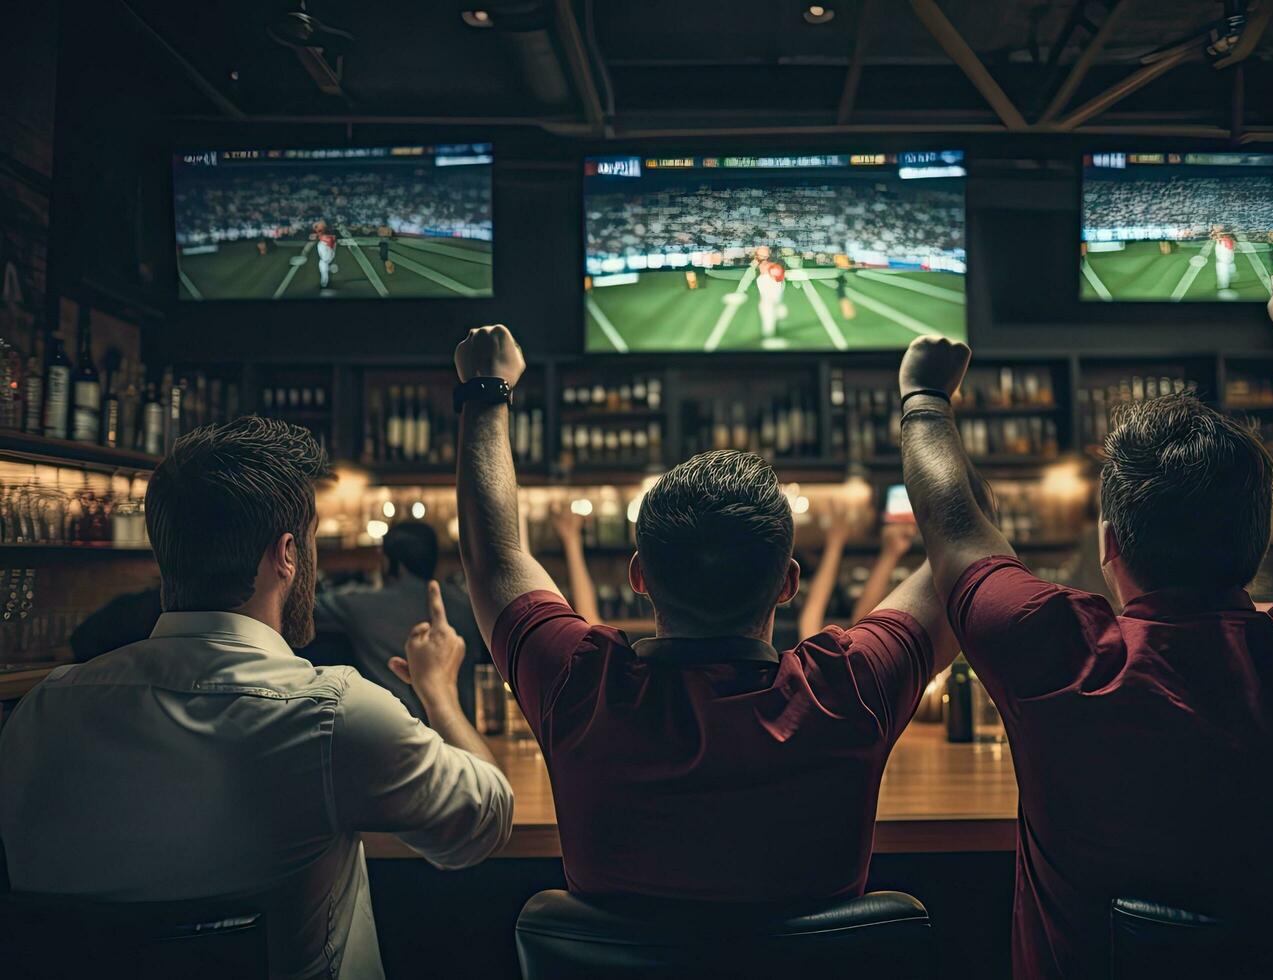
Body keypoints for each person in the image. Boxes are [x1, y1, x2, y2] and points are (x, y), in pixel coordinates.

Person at [898, 241, 1273, 978]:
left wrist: (923, 399)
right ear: (1259, 537)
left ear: (1110, 543)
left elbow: (952, 524)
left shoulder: (1055, 651)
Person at [452, 324, 957, 903]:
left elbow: (493, 560)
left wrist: (487, 391)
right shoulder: (848, 687)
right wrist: (926, 401)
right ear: (789, 583)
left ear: (638, 576)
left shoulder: (580, 683)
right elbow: (964, 550)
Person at [0, 417, 514, 980]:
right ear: (287, 554)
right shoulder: (331, 714)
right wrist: (438, 693)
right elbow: (485, 819)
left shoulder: (41, 714)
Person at [315, 520, 486, 722]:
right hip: (460, 732)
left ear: (390, 562)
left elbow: (308, 607)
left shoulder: (362, 605)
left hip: (393, 736)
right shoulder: (469, 606)